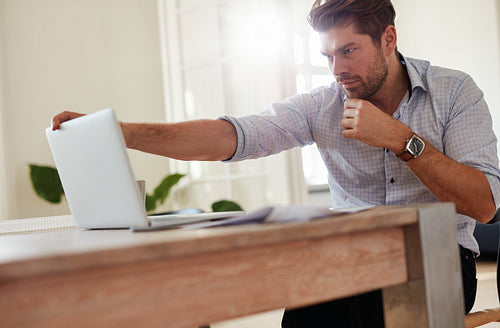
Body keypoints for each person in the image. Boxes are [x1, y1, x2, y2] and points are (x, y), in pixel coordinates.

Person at [52, 0, 500, 326]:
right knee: (316, 294)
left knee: (356, 303)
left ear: (388, 39)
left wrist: (401, 140)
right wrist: (123, 132)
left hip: (438, 256)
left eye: (348, 51)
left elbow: (483, 206)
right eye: (327, 56)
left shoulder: (454, 92)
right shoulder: (321, 105)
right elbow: (232, 135)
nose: (336, 68)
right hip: (347, 257)